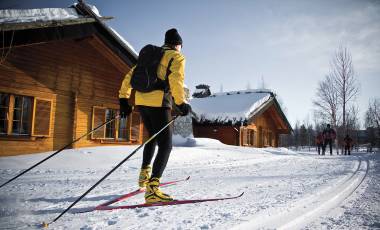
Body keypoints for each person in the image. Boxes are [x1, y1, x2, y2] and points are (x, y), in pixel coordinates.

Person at [118, 28, 191, 203]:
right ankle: (152, 189)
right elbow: (176, 80)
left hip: (141, 101)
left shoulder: (151, 55)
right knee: (166, 145)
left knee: (152, 137)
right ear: (178, 45)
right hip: (159, 103)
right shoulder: (176, 57)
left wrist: (123, 99)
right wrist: (181, 103)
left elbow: (130, 75)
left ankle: (144, 175)